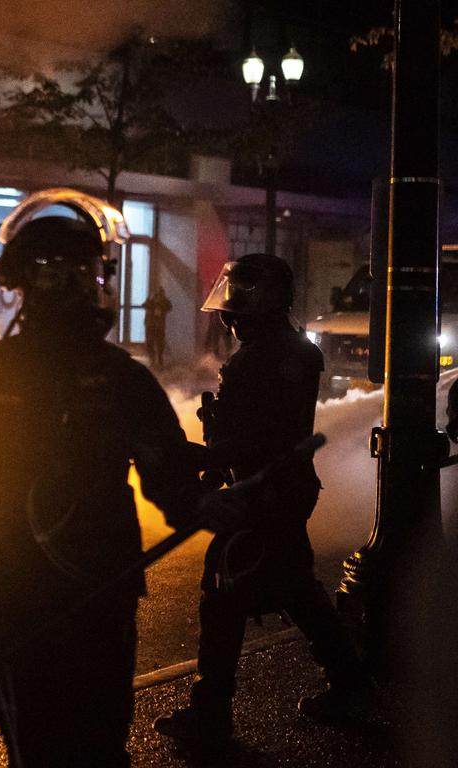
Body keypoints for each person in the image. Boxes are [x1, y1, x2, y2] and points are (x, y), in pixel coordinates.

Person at [0, 190, 204, 767]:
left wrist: (210, 506)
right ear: (21, 280)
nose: (64, 282)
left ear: (96, 277)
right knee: (35, 744)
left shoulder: (119, 379)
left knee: (99, 743)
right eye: (48, 269)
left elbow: (170, 478)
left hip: (100, 592)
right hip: (12, 590)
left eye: (77, 268)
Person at [154, 253, 372, 750]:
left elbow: (253, 439)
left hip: (263, 493)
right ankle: (351, 684)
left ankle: (211, 715)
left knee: (223, 593)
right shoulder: (295, 351)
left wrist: (193, 457)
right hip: (285, 490)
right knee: (294, 588)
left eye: (234, 312)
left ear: (259, 306)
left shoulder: (256, 361)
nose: (227, 321)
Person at [142, 284, 172, 369]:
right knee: (150, 343)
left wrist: (162, 303)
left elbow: (169, 307)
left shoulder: (164, 301)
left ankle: (159, 359)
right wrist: (151, 300)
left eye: (160, 294)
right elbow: (144, 305)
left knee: (160, 343)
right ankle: (152, 359)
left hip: (159, 326)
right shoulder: (150, 301)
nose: (158, 297)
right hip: (150, 325)